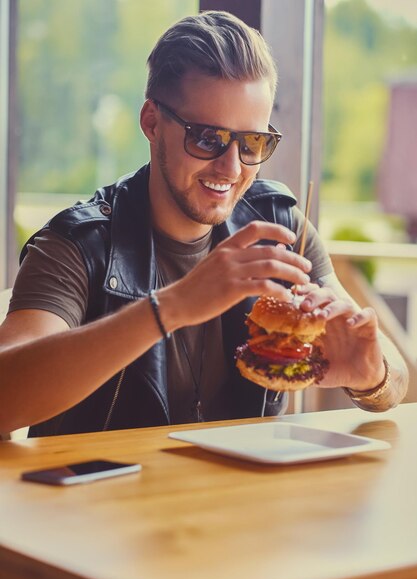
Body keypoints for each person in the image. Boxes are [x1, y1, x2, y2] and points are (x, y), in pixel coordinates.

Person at [0, 11, 408, 437]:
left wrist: (372, 376)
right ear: (152, 123)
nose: (231, 167)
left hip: (241, 495)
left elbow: (394, 378)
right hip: (98, 498)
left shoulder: (280, 223)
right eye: (207, 138)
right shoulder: (77, 243)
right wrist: (172, 307)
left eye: (252, 142)